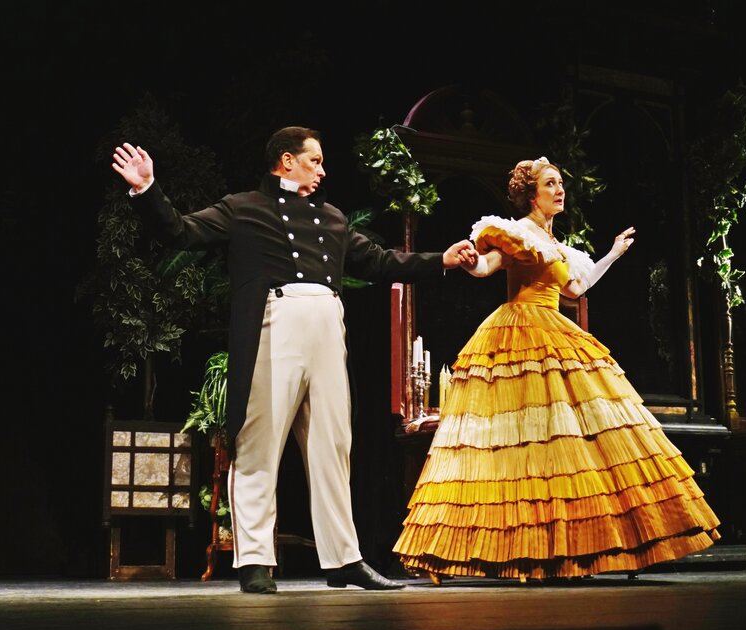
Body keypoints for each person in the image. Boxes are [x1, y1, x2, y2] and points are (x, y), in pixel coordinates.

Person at [112, 126, 477, 594]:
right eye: (314, 161)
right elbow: (180, 232)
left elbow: (381, 261)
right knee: (259, 442)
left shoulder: (332, 218)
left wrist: (442, 260)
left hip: (327, 327)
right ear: (287, 160)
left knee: (333, 445)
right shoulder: (244, 208)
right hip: (276, 325)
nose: (322, 171)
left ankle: (343, 559)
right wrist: (146, 189)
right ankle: (255, 562)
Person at [393, 157, 720, 581]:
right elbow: (486, 267)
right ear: (532, 195)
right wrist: (471, 260)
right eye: (550, 183)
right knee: (515, 446)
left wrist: (613, 254)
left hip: (555, 330)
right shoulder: (514, 232)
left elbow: (576, 288)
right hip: (517, 333)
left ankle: (567, 550)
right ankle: (500, 549)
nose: (559, 189)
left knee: (567, 443)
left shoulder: (558, 247)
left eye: (561, 182)